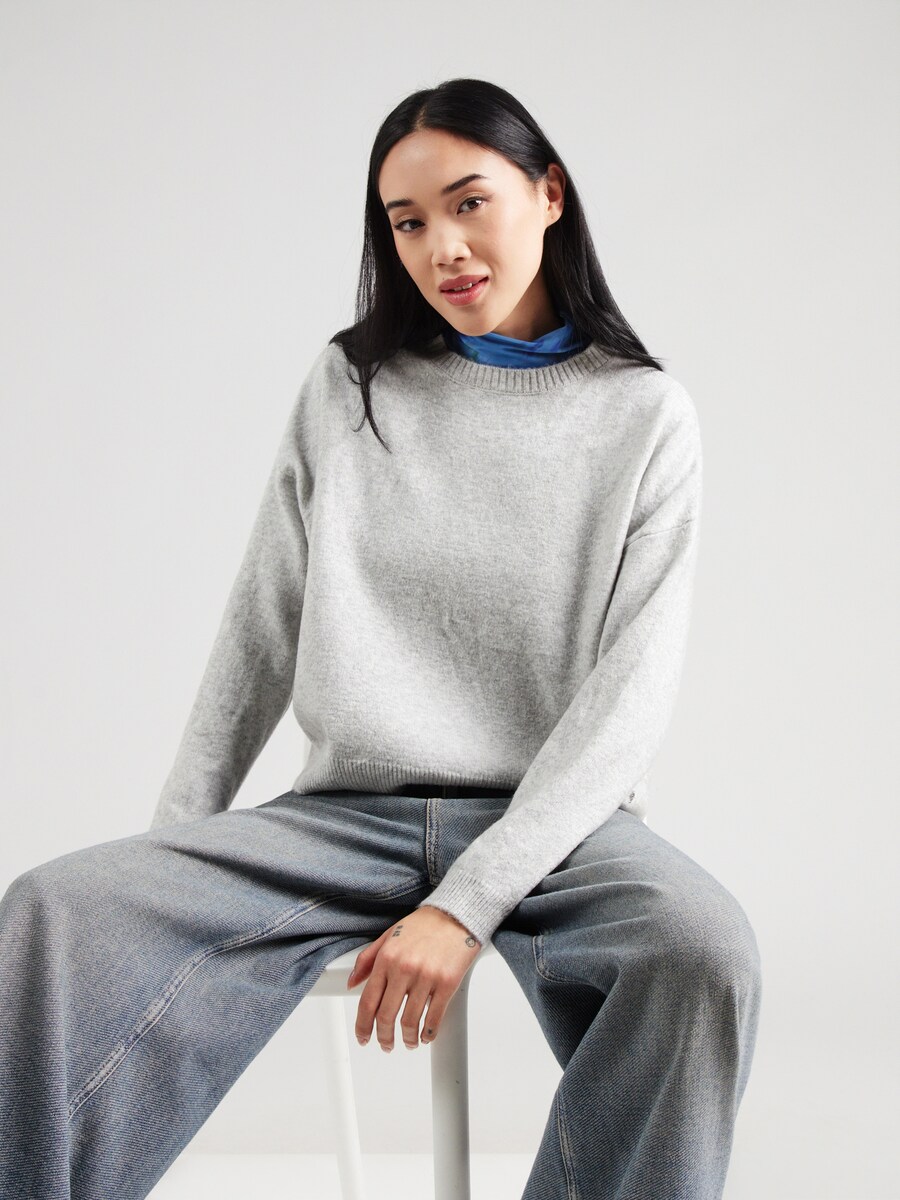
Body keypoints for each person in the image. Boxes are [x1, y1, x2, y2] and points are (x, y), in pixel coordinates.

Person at [0, 77, 761, 1200]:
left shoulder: (646, 417)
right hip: (343, 822)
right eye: (407, 223)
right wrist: (175, 863)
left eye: (469, 203)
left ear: (549, 195)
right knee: (52, 913)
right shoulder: (350, 386)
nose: (441, 248)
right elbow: (262, 626)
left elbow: (628, 701)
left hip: (554, 831)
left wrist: (466, 903)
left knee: (703, 952)